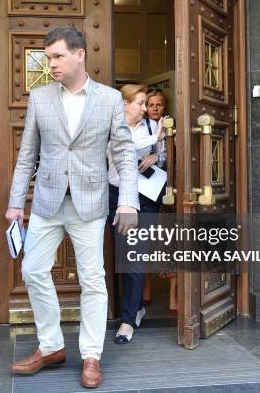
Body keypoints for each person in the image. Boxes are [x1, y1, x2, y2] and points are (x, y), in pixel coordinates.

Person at [6, 26, 139, 389]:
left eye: (57, 56)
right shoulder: (40, 98)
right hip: (48, 202)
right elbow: (27, 155)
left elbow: (125, 155)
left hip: (90, 204)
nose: (51, 64)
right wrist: (16, 204)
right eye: (48, 58)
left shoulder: (110, 99)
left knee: (93, 280)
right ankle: (51, 347)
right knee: (32, 269)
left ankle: (91, 355)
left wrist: (128, 199)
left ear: (80, 54)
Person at [108, 84, 166, 344]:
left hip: (146, 197)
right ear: (124, 104)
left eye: (146, 103)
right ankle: (136, 307)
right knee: (124, 256)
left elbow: (164, 155)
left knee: (136, 256)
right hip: (118, 197)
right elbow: (123, 148)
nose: (145, 109)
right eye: (140, 103)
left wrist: (156, 157)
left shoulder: (152, 127)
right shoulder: (111, 127)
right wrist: (155, 141)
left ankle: (128, 320)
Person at [146, 88, 178, 315]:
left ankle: (174, 295)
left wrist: (159, 156)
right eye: (151, 105)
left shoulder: (171, 126)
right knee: (145, 240)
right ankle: (145, 288)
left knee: (169, 243)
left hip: (166, 189)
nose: (155, 108)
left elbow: (174, 154)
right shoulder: (139, 127)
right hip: (143, 191)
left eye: (159, 104)